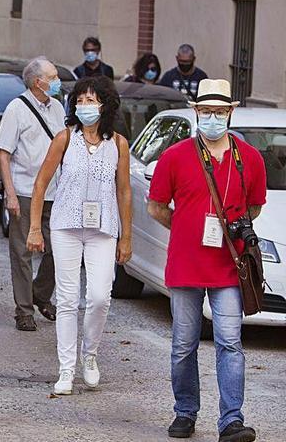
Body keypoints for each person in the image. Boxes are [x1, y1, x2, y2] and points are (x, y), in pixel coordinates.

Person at [148, 79, 265, 442]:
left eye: (219, 112)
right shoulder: (176, 155)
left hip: (229, 266)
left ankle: (231, 420)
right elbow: (155, 207)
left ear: (230, 113)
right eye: (206, 111)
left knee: (230, 342)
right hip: (185, 265)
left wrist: (229, 229)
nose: (213, 117)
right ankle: (185, 412)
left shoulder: (250, 157)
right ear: (196, 112)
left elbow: (255, 207)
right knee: (184, 344)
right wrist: (185, 226)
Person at [26, 76, 132, 395]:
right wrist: (34, 227)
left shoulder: (118, 144)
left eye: (92, 99)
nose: (86, 105)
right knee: (69, 299)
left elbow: (124, 191)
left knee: (100, 297)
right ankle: (66, 369)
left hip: (103, 228)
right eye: (81, 100)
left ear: (106, 104)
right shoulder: (64, 138)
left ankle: (90, 355)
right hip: (65, 226)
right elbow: (40, 184)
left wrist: (126, 237)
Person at [0, 57, 64, 331]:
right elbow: (3, 153)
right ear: (39, 82)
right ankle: (24, 310)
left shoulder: (58, 107)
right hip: (24, 190)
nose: (58, 82)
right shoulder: (17, 109)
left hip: (55, 192)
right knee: (22, 252)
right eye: (54, 76)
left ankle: (40, 293)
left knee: (58, 249)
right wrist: (9, 193)